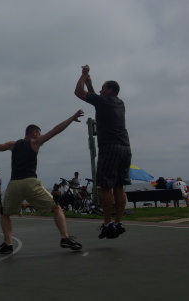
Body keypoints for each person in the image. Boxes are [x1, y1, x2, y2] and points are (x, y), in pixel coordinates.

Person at [0, 109, 85, 253]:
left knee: (5, 214)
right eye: (39, 133)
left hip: (14, 184)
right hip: (30, 182)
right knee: (56, 208)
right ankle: (65, 237)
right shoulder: (35, 142)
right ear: (35, 133)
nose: (41, 136)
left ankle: (8, 244)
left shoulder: (13, 144)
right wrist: (72, 118)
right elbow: (56, 130)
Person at [75, 64, 131, 239]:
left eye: (103, 88)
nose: (100, 90)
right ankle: (118, 222)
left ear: (110, 90)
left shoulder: (103, 101)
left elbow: (78, 92)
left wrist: (84, 76)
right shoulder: (119, 103)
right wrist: (91, 84)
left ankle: (107, 225)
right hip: (125, 147)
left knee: (105, 187)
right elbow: (96, 97)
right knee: (119, 186)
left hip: (109, 147)